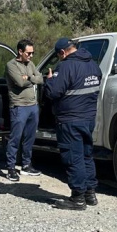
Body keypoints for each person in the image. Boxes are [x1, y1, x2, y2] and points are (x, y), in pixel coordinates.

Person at [44, 38, 102, 211]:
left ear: (62, 52)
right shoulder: (93, 65)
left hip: (70, 120)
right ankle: (90, 194)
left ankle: (77, 198)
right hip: (88, 118)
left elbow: (53, 92)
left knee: (73, 158)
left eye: (58, 55)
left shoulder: (65, 66)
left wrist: (49, 80)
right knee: (86, 155)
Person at [4, 39, 43, 181]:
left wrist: (29, 77)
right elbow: (20, 82)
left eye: (32, 53)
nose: (31, 56)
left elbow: (40, 79)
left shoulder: (30, 64)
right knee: (15, 138)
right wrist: (32, 79)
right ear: (20, 51)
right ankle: (10, 168)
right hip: (19, 106)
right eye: (28, 53)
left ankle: (26, 165)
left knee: (30, 138)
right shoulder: (11, 65)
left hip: (32, 106)